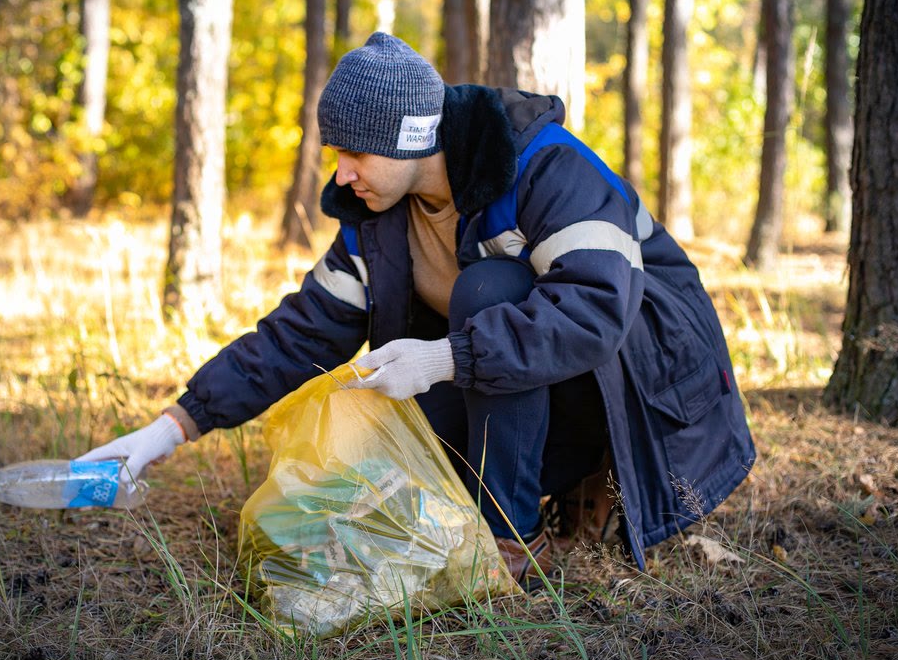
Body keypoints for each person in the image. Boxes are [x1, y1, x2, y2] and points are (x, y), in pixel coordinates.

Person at [78, 32, 756, 589]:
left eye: (354, 153)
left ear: (411, 140)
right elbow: (298, 333)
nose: (340, 174)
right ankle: (534, 492)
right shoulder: (379, 216)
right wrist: (170, 428)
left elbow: (595, 311)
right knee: (369, 459)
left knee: (488, 288)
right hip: (516, 390)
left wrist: (443, 358)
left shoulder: (544, 168)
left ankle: (512, 538)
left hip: (640, 386)